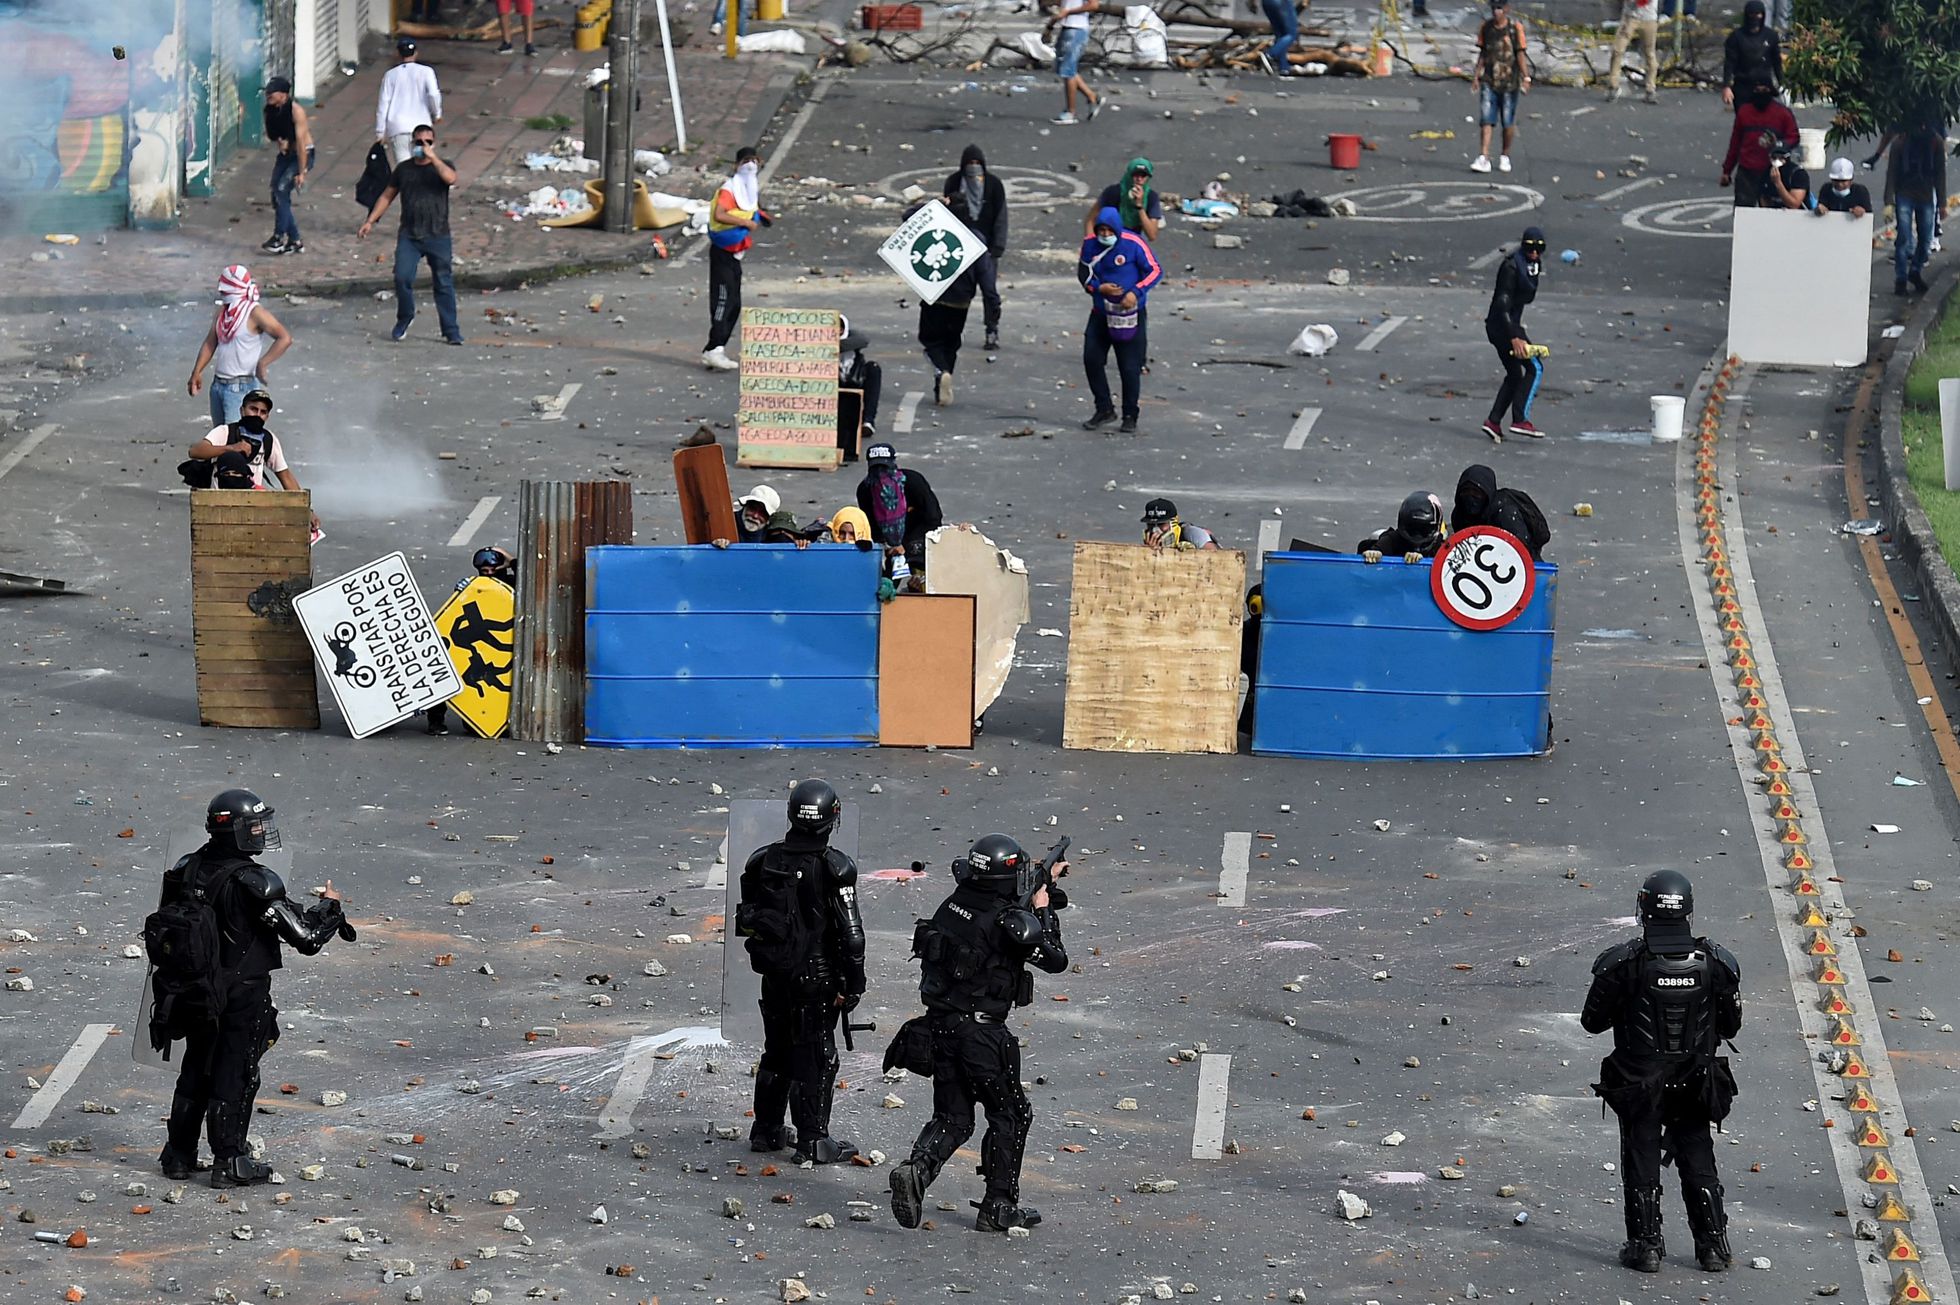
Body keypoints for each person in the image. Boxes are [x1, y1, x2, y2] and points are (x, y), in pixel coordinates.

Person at [147, 789, 352, 1187]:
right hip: (241, 993)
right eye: (254, 826)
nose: (261, 833)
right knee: (235, 1074)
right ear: (236, 831)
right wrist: (329, 907)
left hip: (195, 988)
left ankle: (178, 1155)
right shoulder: (255, 881)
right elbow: (306, 937)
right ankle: (230, 1162)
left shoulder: (187, 868)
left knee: (197, 1068)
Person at [887, 834, 1068, 1235]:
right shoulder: (1011, 921)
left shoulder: (954, 905)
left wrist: (1043, 884)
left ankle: (916, 1170)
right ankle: (999, 1206)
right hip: (981, 1035)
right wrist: (1043, 909)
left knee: (953, 1117)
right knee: (1012, 1114)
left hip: (939, 1027)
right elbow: (1055, 958)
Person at [1582, 870, 1740, 1274]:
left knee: (1641, 1156)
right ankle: (1713, 1249)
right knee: (1698, 1155)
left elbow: (1592, 1022)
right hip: (1695, 1079)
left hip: (1639, 1080)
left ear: (1644, 908)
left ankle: (1646, 1248)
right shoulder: (1718, 964)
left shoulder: (1623, 964)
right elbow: (1732, 1025)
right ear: (1688, 909)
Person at [736, 779, 866, 1165]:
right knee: (819, 1056)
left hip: (775, 974)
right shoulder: (834, 867)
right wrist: (854, 984)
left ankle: (767, 1129)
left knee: (776, 1050)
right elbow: (852, 935)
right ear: (832, 818)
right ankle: (813, 1140)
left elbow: (746, 922)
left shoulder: (762, 861)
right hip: (816, 977)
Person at [358, 124, 464, 346]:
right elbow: (387, 196)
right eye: (419, 142)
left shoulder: (442, 166)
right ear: (412, 144)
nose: (423, 146)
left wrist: (433, 158)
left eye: (427, 142)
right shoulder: (404, 169)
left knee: (443, 282)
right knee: (402, 277)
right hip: (410, 234)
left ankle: (451, 330)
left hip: (438, 234)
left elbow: (451, 179)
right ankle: (405, 317)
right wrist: (370, 221)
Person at [184, 388, 320, 536]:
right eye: (253, 409)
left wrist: (307, 511)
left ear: (267, 416)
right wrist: (230, 448)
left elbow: (285, 476)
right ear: (242, 410)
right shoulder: (225, 432)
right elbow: (195, 451)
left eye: (263, 412)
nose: (257, 415)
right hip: (219, 508)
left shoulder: (269, 440)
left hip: (253, 510)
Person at [1078, 206, 1163, 435]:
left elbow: (1155, 271)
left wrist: (1136, 292)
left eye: (1109, 231)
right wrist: (1097, 287)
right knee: (1092, 359)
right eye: (1101, 231)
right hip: (1101, 313)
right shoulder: (1090, 246)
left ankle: (1130, 414)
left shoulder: (1133, 243)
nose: (1105, 235)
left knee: (1129, 367)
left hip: (1129, 313)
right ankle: (1104, 408)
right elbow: (1083, 274)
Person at [425, 546, 518, 736]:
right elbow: (456, 615)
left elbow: (527, 573)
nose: (489, 574)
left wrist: (508, 557)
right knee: (442, 668)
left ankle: (489, 717)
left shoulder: (512, 584)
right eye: (484, 571)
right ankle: (436, 720)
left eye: (493, 569)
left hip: (494, 645)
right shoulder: (472, 586)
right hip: (471, 646)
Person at [187, 266, 293, 427]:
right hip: (218, 385)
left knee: (238, 441)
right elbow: (211, 342)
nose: (222, 295)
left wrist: (262, 363)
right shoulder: (222, 312)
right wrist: (197, 371)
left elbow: (284, 338)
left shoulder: (254, 313)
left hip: (241, 386)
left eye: (225, 291)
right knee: (222, 439)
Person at [703, 146, 770, 372]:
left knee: (735, 303)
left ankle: (716, 347)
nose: (751, 165)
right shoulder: (730, 188)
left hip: (735, 253)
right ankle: (714, 348)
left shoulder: (748, 189)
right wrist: (745, 223)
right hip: (722, 251)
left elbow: (749, 209)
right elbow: (719, 214)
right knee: (723, 300)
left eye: (755, 160)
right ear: (737, 165)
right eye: (746, 161)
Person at [1480, 226, 1546, 442]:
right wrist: (1514, 337)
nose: (1535, 253)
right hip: (1503, 326)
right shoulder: (1511, 267)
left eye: (1539, 249)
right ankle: (1520, 419)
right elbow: (1503, 302)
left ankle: (1493, 421)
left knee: (1516, 374)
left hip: (1506, 324)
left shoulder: (1532, 266)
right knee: (1534, 366)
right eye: (1530, 248)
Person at [942, 145, 1008, 352]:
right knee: (956, 293)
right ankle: (951, 330)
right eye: (970, 164)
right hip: (959, 248)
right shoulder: (953, 182)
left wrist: (997, 246)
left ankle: (992, 329)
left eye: (977, 164)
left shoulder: (994, 185)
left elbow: (1001, 217)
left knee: (990, 293)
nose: (973, 168)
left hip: (985, 250)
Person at [918, 204, 980, 406]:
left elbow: (908, 215)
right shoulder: (974, 238)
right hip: (961, 302)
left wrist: (934, 205)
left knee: (931, 341)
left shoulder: (934, 229)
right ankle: (943, 383)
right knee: (951, 344)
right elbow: (986, 273)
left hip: (935, 295)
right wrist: (993, 307)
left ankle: (942, 371)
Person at [857, 442, 943, 586]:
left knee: (922, 583)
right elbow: (870, 526)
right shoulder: (865, 490)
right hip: (888, 546)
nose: (881, 474)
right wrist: (887, 546)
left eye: (884, 468)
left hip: (919, 537)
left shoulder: (914, 482)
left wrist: (906, 546)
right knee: (881, 586)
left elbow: (933, 519)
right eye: (876, 469)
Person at [1719, 78, 1798, 209]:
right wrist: (1727, 171)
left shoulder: (1782, 113)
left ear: (1771, 91)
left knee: (1771, 214)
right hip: (1747, 171)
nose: (1761, 93)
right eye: (1757, 90)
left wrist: (1778, 145)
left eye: (1764, 90)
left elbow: (1794, 137)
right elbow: (1735, 143)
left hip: (1773, 171)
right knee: (1743, 211)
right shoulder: (1744, 112)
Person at [1470, 0, 1529, 175]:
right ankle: (1484, 156)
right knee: (1486, 119)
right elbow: (1483, 53)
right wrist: (1476, 76)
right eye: (1494, 8)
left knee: (1507, 121)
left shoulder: (1514, 28)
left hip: (1510, 82)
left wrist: (1526, 77)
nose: (1496, 12)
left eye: (1500, 8)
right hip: (1489, 79)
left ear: (1507, 9)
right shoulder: (1486, 28)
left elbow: (1520, 54)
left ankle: (1505, 155)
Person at [1891, 119, 1944, 296]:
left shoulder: (1935, 142)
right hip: (1905, 194)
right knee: (1904, 238)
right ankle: (1900, 278)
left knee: (1926, 239)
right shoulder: (1900, 142)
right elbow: (1892, 172)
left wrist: (1942, 203)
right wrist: (1888, 202)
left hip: (1926, 195)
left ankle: (1915, 270)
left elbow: (1940, 174)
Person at [261, 78, 314, 255]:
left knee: (281, 189)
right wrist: (281, 143)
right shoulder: (270, 110)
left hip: (302, 154)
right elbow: (275, 133)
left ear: (283, 94)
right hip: (286, 155)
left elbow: (301, 144)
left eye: (272, 92)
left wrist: (301, 171)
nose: (268, 95)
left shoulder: (296, 111)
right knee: (277, 195)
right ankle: (295, 240)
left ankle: (278, 236)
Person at [1451, 464, 1549, 559]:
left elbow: (1520, 550)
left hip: (1524, 567)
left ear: (1487, 493)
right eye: (1466, 491)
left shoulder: (1504, 512)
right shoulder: (1459, 514)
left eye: (1477, 493)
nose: (1470, 497)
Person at [375, 38, 442, 166]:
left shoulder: (390, 75)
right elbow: (433, 95)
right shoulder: (426, 71)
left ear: (398, 54)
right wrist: (437, 113)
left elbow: (383, 104)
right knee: (423, 164)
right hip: (422, 128)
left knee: (404, 167)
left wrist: (380, 131)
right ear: (416, 53)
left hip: (398, 127)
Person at [1042, 0, 1101, 126]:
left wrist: (1068, 12)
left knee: (1067, 70)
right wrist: (1049, 26)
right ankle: (1092, 97)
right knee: (1065, 68)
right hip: (1067, 28)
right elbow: (1062, 8)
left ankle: (1070, 112)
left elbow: (1094, 5)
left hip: (1077, 29)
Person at [1719, 0, 1779, 108]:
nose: (1755, 18)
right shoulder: (1736, 37)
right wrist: (1727, 86)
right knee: (1744, 120)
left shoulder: (1771, 36)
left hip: (1764, 86)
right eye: (1752, 14)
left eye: (1758, 14)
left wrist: (1782, 83)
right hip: (1743, 85)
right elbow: (1729, 63)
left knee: (1764, 121)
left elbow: (1776, 61)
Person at [1088, 158, 1161, 245]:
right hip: (1110, 240)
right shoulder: (1113, 192)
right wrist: (1090, 244)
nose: (1139, 179)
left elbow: (1152, 235)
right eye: (1136, 175)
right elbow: (1091, 220)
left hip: (1132, 243)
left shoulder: (1151, 197)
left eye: (1143, 176)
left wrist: (1140, 207)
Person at [838, 315, 882, 457]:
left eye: (840, 328)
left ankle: (868, 421)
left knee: (874, 369)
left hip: (854, 379)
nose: (837, 331)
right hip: (835, 384)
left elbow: (863, 340)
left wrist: (832, 344)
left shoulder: (853, 339)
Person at [1357, 491, 1446, 560]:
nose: (1417, 536)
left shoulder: (1443, 548)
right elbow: (1377, 550)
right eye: (1412, 528)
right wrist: (1374, 554)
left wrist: (1422, 562)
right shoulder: (1392, 540)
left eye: (1424, 530)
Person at [1604, 0, 1659, 103]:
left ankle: (1650, 89)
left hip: (1649, 18)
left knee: (1650, 54)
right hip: (1630, 18)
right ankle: (1613, 86)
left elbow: (1643, 2)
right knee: (1617, 50)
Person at [1141, 497, 1218, 550]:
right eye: (1151, 525)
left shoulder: (1192, 534)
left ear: (1174, 521)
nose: (1155, 530)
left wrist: (1192, 554)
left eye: (1161, 524)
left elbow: (1216, 557)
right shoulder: (1150, 543)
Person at [1761, 142, 1810, 210]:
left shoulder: (1798, 174)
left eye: (1781, 157)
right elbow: (1764, 198)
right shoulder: (1766, 172)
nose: (1777, 160)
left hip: (1797, 216)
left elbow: (1794, 205)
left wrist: (1778, 183)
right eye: (1774, 157)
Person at [1258, 0, 1299, 76]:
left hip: (1266, 3)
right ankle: (1270, 55)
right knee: (1291, 34)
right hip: (1282, 2)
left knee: (1280, 34)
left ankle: (1284, 67)